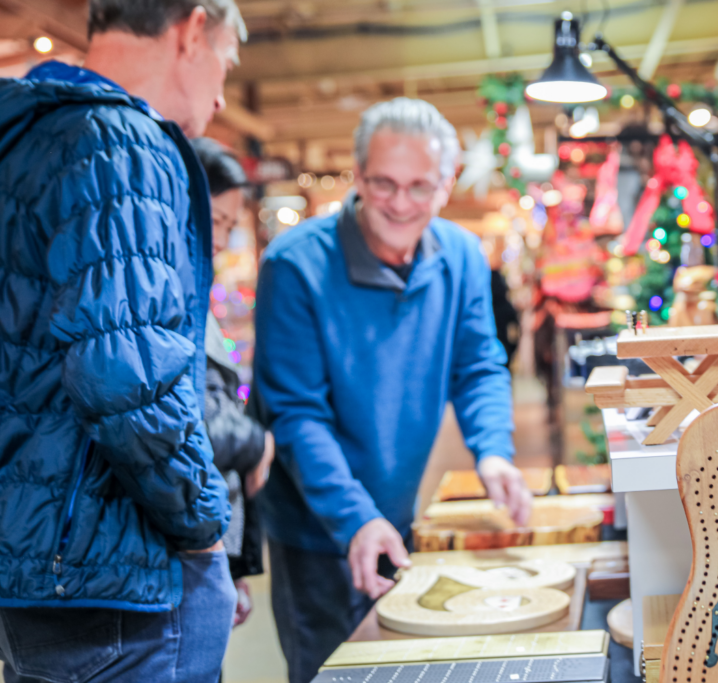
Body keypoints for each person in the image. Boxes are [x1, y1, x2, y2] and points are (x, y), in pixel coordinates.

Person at [0, 2, 245, 681]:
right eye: (225, 64)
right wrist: (203, 523)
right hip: (118, 565)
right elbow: (124, 373)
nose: (223, 95)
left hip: (35, 559)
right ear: (193, 30)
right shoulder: (123, 144)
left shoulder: (26, 133)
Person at [250, 97, 532, 683]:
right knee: (332, 669)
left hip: (397, 510)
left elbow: (478, 364)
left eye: (420, 186)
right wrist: (355, 519)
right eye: (384, 183)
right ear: (357, 174)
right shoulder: (295, 265)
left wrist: (494, 450)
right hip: (317, 525)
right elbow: (297, 414)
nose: (401, 204)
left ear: (447, 182)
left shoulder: (459, 254)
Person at [192, 137, 276, 627]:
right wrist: (252, 441)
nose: (220, 239)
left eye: (229, 224)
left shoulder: (191, 291)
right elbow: (190, 420)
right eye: (215, 221)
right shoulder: (161, 295)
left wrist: (231, 564)